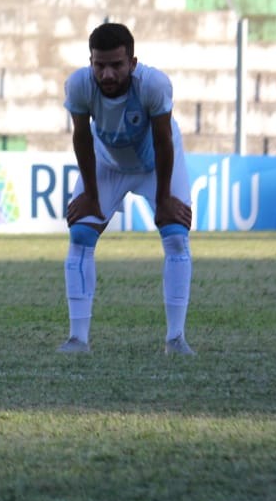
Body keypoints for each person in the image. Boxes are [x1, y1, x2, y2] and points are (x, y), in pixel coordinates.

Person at [58, 22, 195, 356]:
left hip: (155, 165)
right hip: (108, 163)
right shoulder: (78, 85)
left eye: (116, 65)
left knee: (176, 236)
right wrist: (90, 194)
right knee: (80, 237)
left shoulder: (153, 84)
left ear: (132, 63)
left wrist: (163, 199)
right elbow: (81, 137)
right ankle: (78, 339)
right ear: (90, 62)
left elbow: (163, 141)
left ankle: (175, 339)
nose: (107, 74)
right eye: (99, 65)